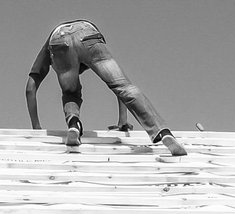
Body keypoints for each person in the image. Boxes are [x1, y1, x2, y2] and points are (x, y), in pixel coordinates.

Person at [25, 19, 187, 155]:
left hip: (58, 39)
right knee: (122, 85)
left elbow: (30, 88)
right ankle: (162, 132)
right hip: (88, 33)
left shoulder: (47, 52)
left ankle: (74, 125)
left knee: (70, 91)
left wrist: (36, 127)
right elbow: (118, 88)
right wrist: (122, 120)